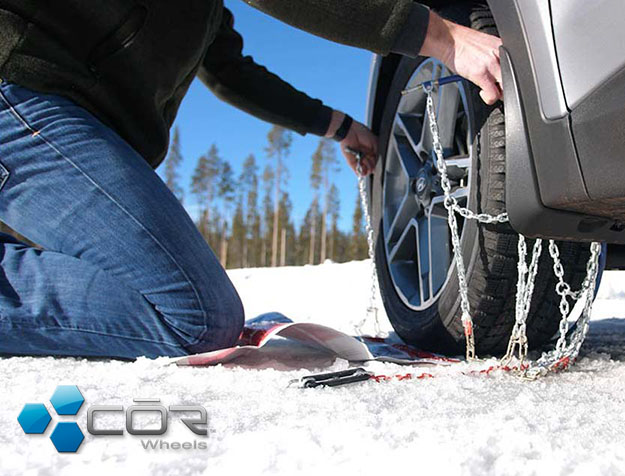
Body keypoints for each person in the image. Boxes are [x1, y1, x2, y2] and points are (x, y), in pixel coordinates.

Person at [0, 1, 503, 359]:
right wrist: (443, 36)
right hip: (20, 95)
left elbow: (233, 74)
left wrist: (341, 127)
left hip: (54, 119)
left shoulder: (204, 16)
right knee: (195, 317)